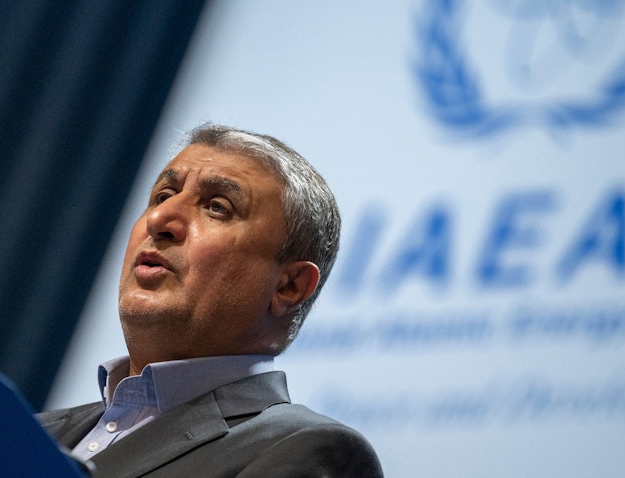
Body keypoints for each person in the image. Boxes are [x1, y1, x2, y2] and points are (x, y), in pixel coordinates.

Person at [38, 124, 383, 477]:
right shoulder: (27, 429)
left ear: (289, 286)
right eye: (162, 195)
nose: (159, 220)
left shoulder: (307, 449)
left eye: (217, 207)